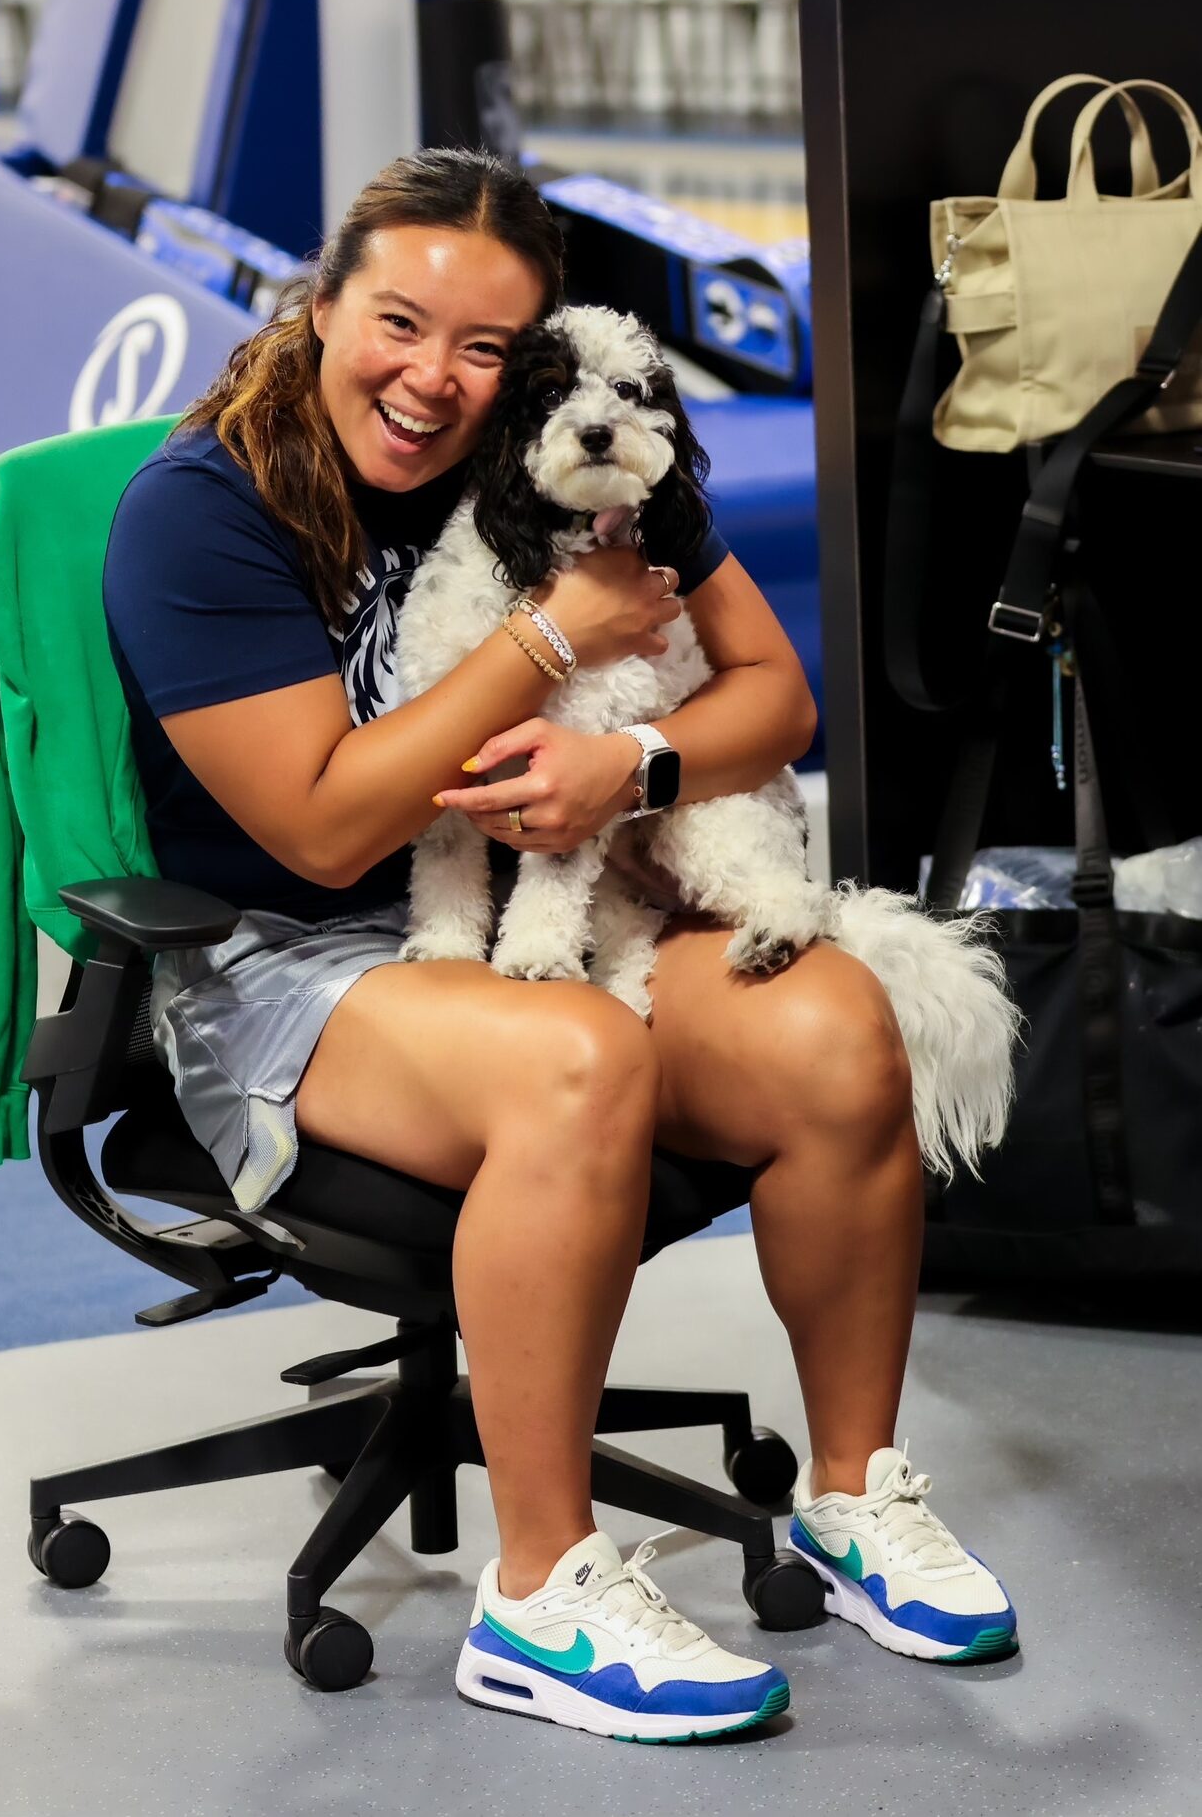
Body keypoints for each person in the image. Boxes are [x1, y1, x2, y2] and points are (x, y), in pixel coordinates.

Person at [102, 147, 1017, 1742]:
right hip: (290, 953)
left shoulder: (558, 444)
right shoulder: (202, 514)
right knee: (579, 1057)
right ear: (322, 306)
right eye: (396, 322)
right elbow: (324, 830)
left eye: (480, 348)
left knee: (834, 1025)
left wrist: (632, 764)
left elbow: (772, 699)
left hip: (575, 883)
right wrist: (547, 644)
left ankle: (854, 1492)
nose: (431, 379)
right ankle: (539, 1593)